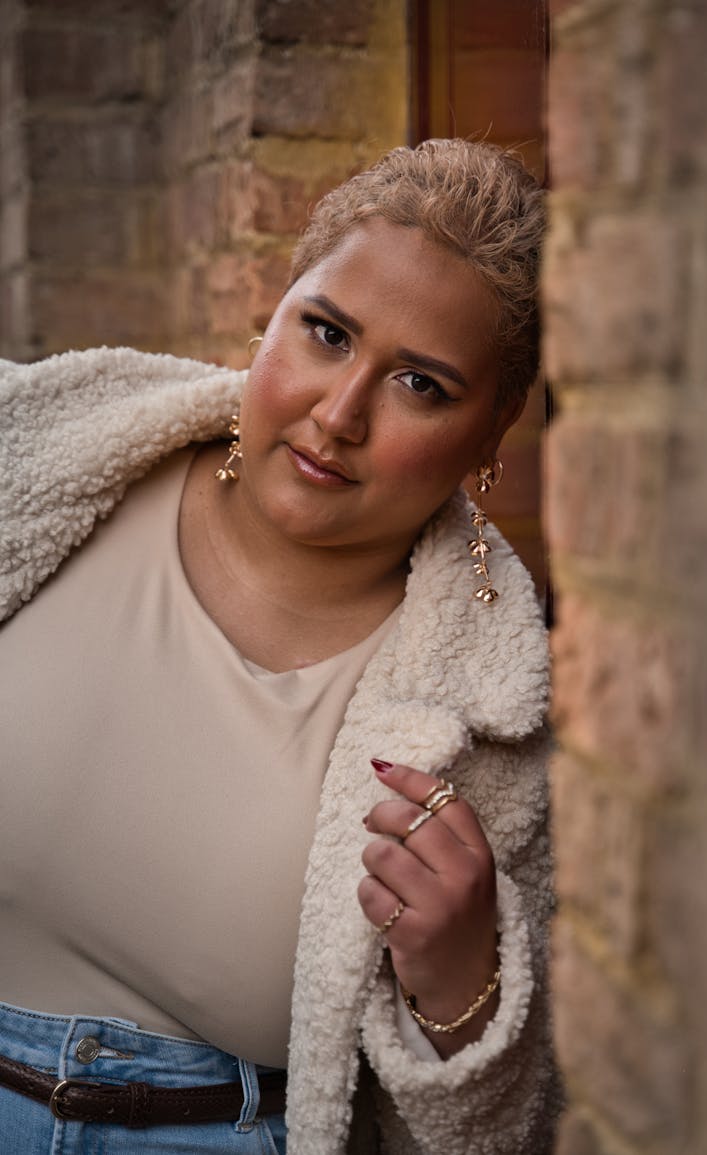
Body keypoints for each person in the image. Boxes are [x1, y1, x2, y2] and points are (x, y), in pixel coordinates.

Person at [0, 138, 558, 1153]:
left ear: (492, 433)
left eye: (421, 385)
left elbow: (489, 1131)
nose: (338, 414)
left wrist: (461, 991)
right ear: (277, 310)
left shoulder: (489, 714)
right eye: (328, 332)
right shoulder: (35, 456)